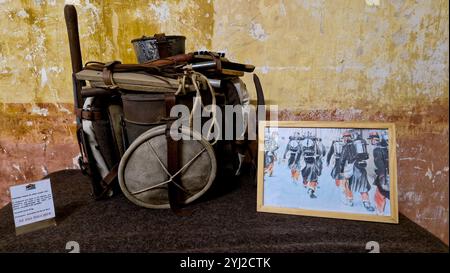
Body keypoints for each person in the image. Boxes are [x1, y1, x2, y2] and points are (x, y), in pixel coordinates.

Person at [339, 130, 375, 211]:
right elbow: (366, 156)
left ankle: (350, 200)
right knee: (363, 185)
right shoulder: (359, 143)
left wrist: (341, 171)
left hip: (352, 168)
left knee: (348, 184)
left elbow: (342, 160)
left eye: (345, 137)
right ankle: (366, 203)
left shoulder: (346, 146)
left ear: (346, 138)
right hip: (361, 167)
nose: (344, 139)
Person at [368, 131, 390, 215]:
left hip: (384, 176)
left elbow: (380, 165)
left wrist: (382, 178)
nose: (372, 141)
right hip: (386, 174)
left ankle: (379, 213)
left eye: (373, 139)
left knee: (379, 194)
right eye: (371, 139)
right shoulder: (384, 147)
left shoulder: (377, 149)